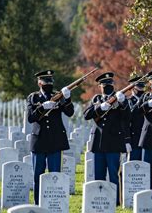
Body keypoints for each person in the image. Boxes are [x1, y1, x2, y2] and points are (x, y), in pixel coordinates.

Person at [26, 70, 74, 205]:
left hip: (55, 142)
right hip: (39, 141)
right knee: (37, 176)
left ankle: (54, 204)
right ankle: (37, 203)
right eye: (46, 82)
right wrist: (42, 107)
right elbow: (31, 117)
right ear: (39, 82)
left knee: (55, 176)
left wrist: (67, 98)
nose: (49, 84)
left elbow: (69, 112)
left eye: (51, 82)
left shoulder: (57, 96)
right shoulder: (33, 97)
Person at [83, 72, 131, 205]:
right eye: (104, 84)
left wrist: (123, 103)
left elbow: (127, 117)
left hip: (114, 142)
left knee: (114, 175)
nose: (107, 86)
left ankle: (115, 201)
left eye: (109, 84)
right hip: (98, 143)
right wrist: (100, 107)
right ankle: (100, 201)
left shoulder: (120, 98)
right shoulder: (96, 99)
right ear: (100, 86)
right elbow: (86, 115)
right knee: (99, 175)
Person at [127, 75, 146, 161]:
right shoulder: (128, 101)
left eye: (142, 87)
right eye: (139, 87)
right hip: (134, 138)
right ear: (132, 88)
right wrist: (139, 102)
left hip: (147, 136)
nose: (141, 89)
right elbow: (129, 116)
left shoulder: (148, 99)